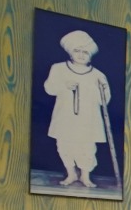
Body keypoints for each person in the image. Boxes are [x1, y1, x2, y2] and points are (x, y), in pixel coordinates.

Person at [43, 30, 111, 188]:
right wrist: (64, 86)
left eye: (85, 52)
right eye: (77, 50)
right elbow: (49, 89)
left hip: (88, 119)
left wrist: (101, 89)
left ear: (91, 56)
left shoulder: (98, 75)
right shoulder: (58, 68)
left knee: (87, 147)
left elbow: (105, 101)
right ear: (70, 52)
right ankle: (71, 174)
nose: (81, 55)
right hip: (65, 117)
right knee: (64, 144)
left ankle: (85, 176)